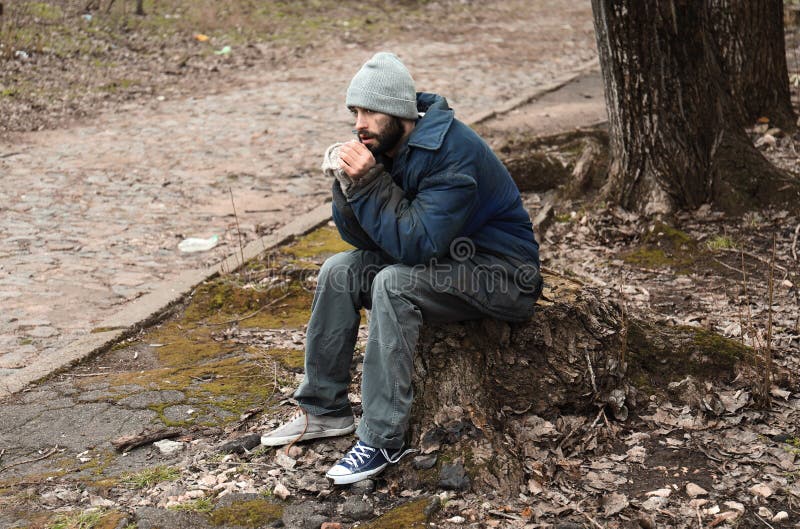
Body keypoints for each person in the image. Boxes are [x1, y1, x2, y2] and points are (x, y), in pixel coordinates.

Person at [261, 52, 542, 485]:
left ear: (398, 113)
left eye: (369, 112)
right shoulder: (389, 145)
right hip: (444, 261)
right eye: (355, 112)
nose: (360, 124)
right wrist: (348, 184)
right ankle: (325, 410)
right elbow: (365, 240)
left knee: (394, 284)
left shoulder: (452, 153)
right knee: (339, 270)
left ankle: (381, 439)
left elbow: (416, 244)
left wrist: (369, 181)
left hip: (499, 273)